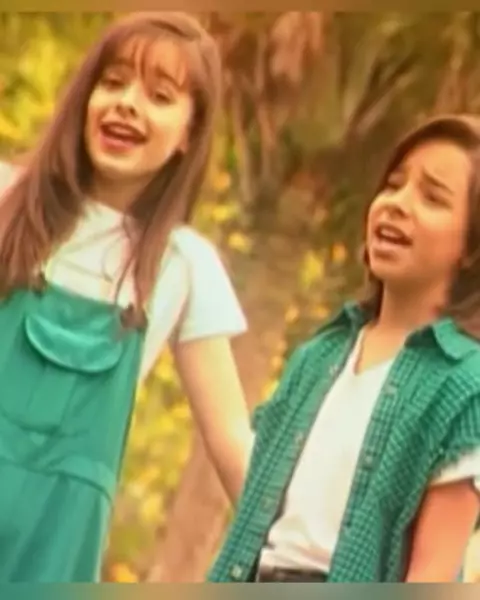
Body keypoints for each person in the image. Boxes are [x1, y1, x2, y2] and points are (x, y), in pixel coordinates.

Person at [0, 12, 253, 582]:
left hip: (52, 554)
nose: (127, 104)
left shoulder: (184, 267)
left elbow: (232, 440)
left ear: (189, 134)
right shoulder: (6, 198)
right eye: (113, 82)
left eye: (160, 96)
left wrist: (308, 563)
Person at [208, 114, 480, 583]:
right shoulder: (319, 354)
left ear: (472, 248)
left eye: (432, 197)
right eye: (393, 184)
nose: (398, 204)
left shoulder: (464, 385)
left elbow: (432, 575)